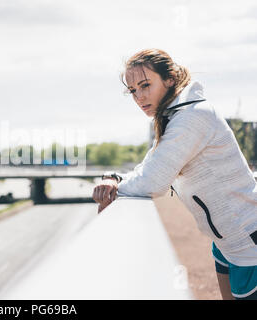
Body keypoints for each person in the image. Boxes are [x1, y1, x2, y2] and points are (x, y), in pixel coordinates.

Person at [92, 49, 257, 300]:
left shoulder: (192, 117)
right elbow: (149, 167)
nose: (139, 96)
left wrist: (114, 187)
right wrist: (114, 178)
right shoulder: (175, 116)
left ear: (169, 79)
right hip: (225, 241)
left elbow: (153, 181)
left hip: (247, 241)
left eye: (145, 85)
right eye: (133, 90)